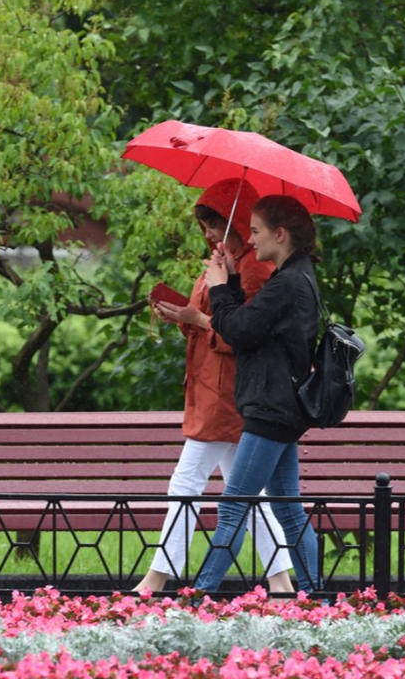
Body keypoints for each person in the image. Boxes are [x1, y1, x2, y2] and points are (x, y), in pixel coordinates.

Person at [132, 179, 295, 595]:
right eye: (204, 224)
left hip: (227, 394)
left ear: (237, 223)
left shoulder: (254, 269)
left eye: (214, 223)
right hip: (211, 388)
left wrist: (200, 314)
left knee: (186, 483)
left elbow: (244, 336)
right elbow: (213, 323)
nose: (207, 233)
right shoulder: (226, 262)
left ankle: (156, 579)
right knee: (249, 493)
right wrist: (186, 315)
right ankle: (280, 582)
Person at [192, 194, 322, 596]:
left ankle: (200, 596)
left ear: (280, 234)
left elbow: (239, 330)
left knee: (234, 505)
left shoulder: (286, 284)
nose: (250, 238)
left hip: (271, 407)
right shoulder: (297, 277)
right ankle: (317, 597)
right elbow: (250, 326)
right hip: (281, 407)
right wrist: (229, 280)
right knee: (287, 508)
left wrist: (218, 288)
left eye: (257, 231)